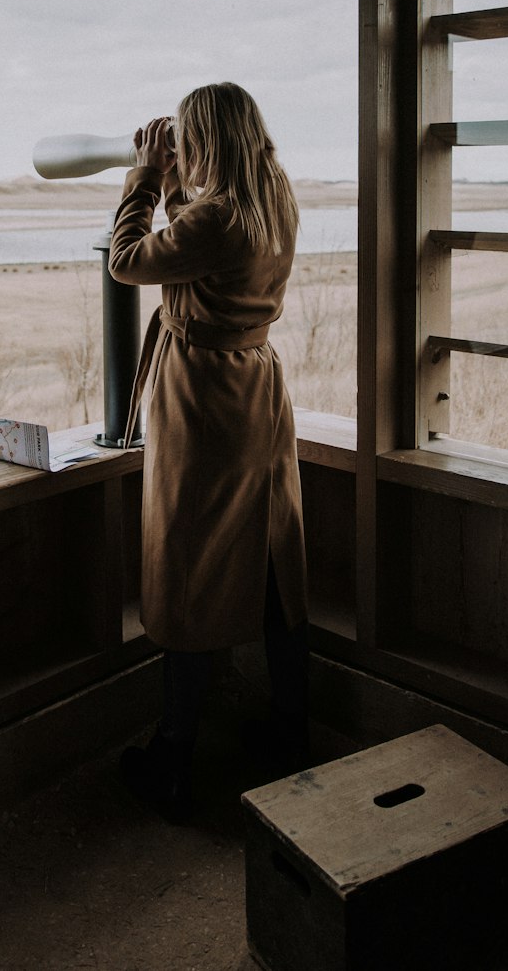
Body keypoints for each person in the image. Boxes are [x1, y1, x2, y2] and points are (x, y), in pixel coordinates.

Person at [109, 82, 309, 822]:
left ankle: (171, 757)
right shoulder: (271, 196)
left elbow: (129, 261)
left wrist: (146, 178)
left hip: (202, 403)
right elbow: (195, 247)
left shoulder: (218, 215)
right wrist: (178, 190)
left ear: (202, 141)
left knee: (188, 567)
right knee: (270, 559)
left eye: (185, 138)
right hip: (256, 392)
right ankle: (290, 733)